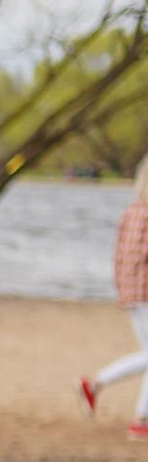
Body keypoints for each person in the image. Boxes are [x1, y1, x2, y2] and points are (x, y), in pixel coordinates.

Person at [78, 152, 148, 435]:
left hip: (132, 292)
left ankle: (142, 420)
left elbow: (119, 256)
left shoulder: (131, 212)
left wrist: (121, 289)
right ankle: (96, 382)